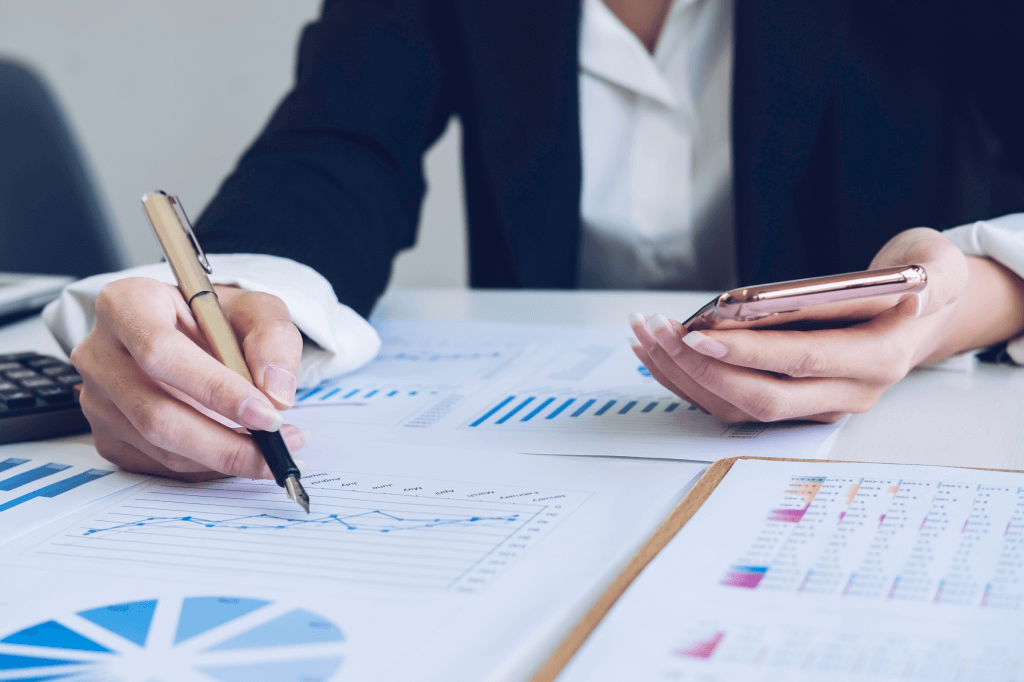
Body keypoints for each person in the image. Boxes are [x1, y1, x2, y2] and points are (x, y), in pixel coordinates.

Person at [56, 0, 1024, 480]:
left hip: (916, 440)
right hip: (558, 455)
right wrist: (234, 303)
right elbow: (339, 146)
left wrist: (973, 296)